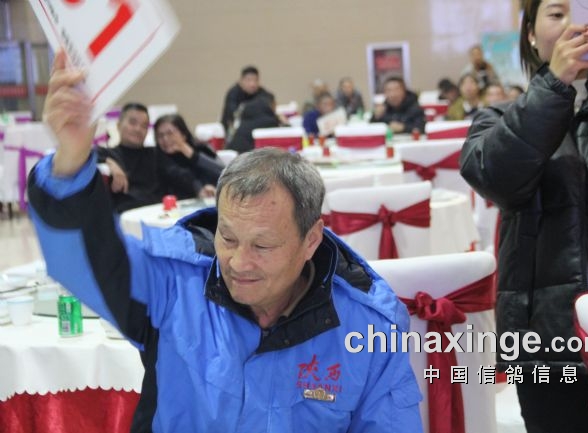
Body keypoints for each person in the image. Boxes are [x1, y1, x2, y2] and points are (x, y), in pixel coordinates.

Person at [28, 51, 423, 433]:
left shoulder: (367, 328)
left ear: (311, 240)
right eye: (228, 237)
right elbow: (85, 259)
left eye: (262, 246)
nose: (237, 262)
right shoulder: (175, 284)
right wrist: (70, 164)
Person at [460, 1, 588, 432]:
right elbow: (498, 179)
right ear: (530, 34)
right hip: (545, 343)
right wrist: (555, 85)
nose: (575, 26)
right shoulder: (498, 117)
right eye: (557, 13)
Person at [96, 103, 167, 213]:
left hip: (158, 212)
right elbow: (85, 156)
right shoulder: (108, 153)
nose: (138, 129)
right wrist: (110, 162)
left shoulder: (156, 153)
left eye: (144, 126)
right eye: (133, 123)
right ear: (118, 125)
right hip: (125, 214)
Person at [154, 114, 225, 199]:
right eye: (160, 135)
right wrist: (199, 190)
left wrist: (192, 155)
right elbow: (182, 177)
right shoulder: (157, 158)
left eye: (170, 133)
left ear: (183, 134)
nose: (165, 139)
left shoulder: (201, 148)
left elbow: (225, 172)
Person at [220, 66, 274, 137]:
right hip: (233, 131)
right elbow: (234, 113)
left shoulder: (260, 92)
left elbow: (270, 99)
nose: (252, 84)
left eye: (255, 80)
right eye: (248, 80)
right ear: (241, 81)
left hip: (253, 129)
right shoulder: (233, 93)